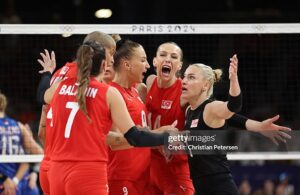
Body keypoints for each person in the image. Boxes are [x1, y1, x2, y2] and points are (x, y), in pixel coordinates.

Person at [146, 42, 291, 195]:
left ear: (205, 85)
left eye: (191, 77)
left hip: (218, 184)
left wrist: (233, 79)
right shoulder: (190, 110)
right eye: (185, 77)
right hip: (199, 184)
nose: (185, 81)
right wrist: (259, 126)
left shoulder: (210, 107)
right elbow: (230, 119)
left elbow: (233, 107)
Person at [36, 40, 176, 195]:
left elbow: (41, 94)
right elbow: (135, 137)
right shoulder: (107, 93)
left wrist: (48, 73)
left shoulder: (61, 86)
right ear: (104, 66)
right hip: (88, 171)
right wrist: (165, 137)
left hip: (57, 171)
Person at [36, 31, 116, 195]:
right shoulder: (83, 80)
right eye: (111, 54)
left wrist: (47, 73)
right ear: (98, 51)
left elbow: (41, 129)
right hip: (77, 169)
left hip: (51, 165)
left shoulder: (61, 73)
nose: (112, 60)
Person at [0, 91, 42, 195]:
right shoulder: (19, 126)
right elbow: (40, 154)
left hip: (4, 184)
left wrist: (5, 179)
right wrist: (33, 171)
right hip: (21, 183)